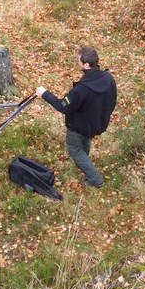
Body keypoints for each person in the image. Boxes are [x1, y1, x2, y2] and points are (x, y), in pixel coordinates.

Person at [36, 46, 117, 188]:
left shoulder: (81, 89)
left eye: (79, 60)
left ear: (86, 65)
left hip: (78, 127)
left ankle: (95, 179)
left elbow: (63, 106)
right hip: (96, 124)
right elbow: (112, 101)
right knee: (85, 143)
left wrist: (45, 94)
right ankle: (84, 165)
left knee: (75, 149)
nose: (77, 62)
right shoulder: (108, 78)